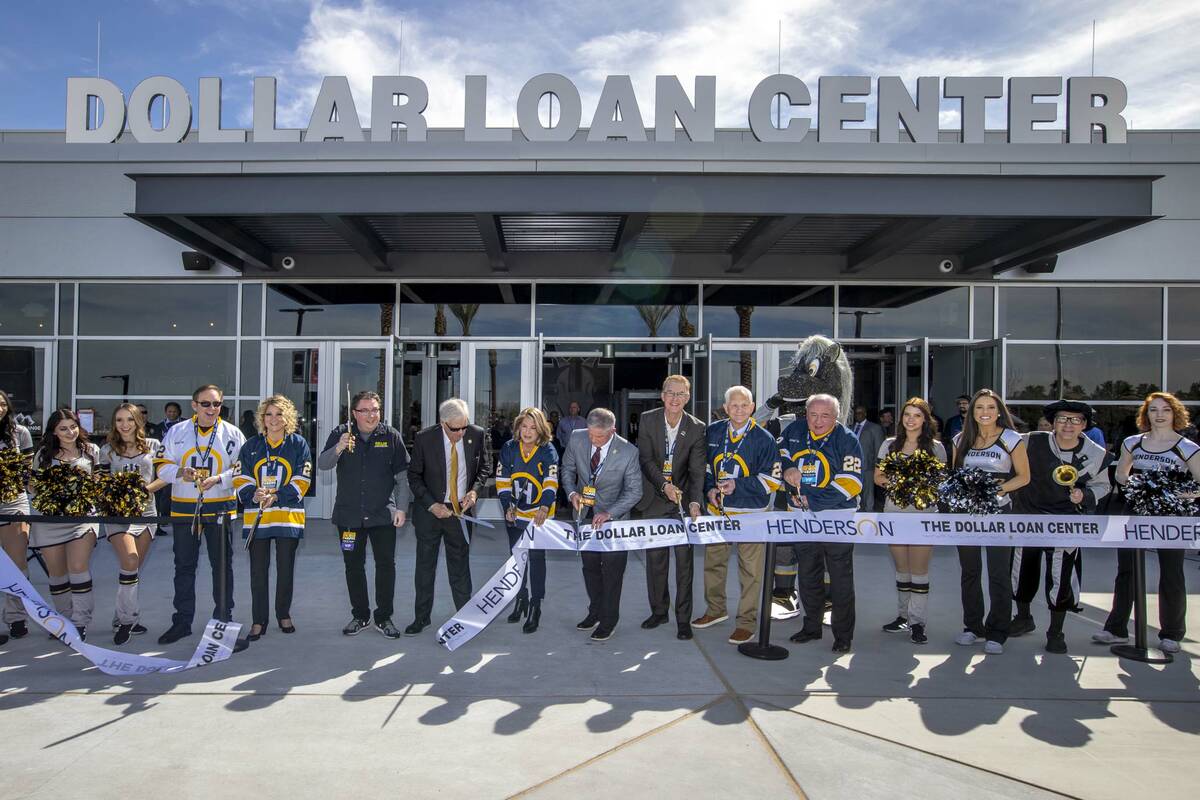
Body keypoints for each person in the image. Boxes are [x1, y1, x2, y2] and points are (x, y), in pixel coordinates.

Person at [1095, 392, 1200, 654]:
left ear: (1175, 414)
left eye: (1165, 410)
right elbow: (1121, 472)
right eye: (1153, 410)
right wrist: (1132, 485)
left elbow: (1198, 482)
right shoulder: (1133, 442)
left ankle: (1172, 633)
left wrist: (1173, 493)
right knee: (1127, 569)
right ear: (1146, 414)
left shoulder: (1187, 447)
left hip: (1171, 515)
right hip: (1135, 509)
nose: (1160, 415)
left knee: (1172, 572)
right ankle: (1116, 628)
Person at [1012, 400, 1111, 654]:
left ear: (1085, 425)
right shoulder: (1031, 440)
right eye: (1063, 419)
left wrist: (1085, 496)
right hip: (1029, 516)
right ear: (1053, 422)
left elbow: (1103, 486)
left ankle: (1056, 631)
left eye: (1075, 420)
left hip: (1066, 521)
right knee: (1022, 569)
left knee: (1060, 575)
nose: (1068, 424)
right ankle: (1023, 618)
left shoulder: (1096, 453)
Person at [154, 384, 246, 646]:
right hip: (184, 507)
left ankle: (223, 620)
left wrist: (219, 479)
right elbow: (161, 466)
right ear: (194, 405)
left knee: (222, 567)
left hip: (220, 508)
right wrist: (180, 473)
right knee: (184, 566)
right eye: (205, 404)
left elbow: (242, 471)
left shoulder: (232, 433)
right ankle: (182, 622)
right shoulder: (177, 431)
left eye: (216, 404)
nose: (211, 409)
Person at [692, 386, 781, 646]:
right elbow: (706, 468)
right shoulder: (715, 431)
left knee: (751, 572)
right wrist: (710, 489)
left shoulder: (764, 438)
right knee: (713, 564)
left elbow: (771, 479)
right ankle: (716, 610)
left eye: (744, 405)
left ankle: (746, 623)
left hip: (751, 515)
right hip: (718, 512)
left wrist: (737, 486)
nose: (739, 410)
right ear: (725, 407)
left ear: (752, 407)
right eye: (734, 405)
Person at [318, 390, 411, 639]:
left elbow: (402, 476)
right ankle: (360, 615)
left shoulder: (390, 436)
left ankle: (384, 617)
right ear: (354, 413)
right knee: (353, 567)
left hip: (383, 516)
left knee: (385, 566)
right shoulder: (341, 434)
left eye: (375, 410)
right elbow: (323, 464)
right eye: (365, 410)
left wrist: (401, 508)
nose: (371, 415)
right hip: (349, 517)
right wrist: (339, 447)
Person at [780, 393, 863, 653]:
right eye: (812, 414)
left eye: (825, 415)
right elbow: (779, 450)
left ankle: (843, 634)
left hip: (836, 518)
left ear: (836, 417)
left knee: (839, 579)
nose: (817, 421)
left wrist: (811, 499)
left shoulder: (847, 439)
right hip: (801, 518)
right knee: (807, 574)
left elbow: (851, 483)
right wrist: (788, 466)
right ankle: (811, 626)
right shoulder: (795, 429)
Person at [951, 389, 1030, 655]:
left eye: (990, 407)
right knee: (969, 571)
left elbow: (1024, 477)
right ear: (971, 412)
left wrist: (997, 490)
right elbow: (956, 477)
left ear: (999, 411)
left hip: (999, 514)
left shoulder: (1011, 438)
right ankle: (973, 626)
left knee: (998, 572)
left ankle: (998, 630)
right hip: (967, 516)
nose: (985, 412)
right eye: (979, 408)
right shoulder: (961, 439)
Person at [406, 398, 488, 636]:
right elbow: (414, 476)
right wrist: (431, 505)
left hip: (460, 512)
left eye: (465, 426)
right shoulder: (424, 439)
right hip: (430, 513)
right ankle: (421, 618)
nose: (461, 433)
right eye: (455, 429)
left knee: (460, 567)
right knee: (425, 567)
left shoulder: (477, 434)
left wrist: (474, 492)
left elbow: (484, 468)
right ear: (443, 424)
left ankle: (465, 618)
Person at [235, 395, 313, 643]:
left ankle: (283, 614)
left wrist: (278, 495)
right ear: (262, 418)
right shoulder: (250, 446)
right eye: (269, 414)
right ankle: (259, 620)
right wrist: (253, 494)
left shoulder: (298, 444)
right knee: (258, 572)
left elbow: (303, 479)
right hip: (258, 518)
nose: (274, 419)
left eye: (279, 414)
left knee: (285, 570)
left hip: (287, 517)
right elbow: (241, 477)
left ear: (288, 417)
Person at [561, 407, 642, 642]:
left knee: (613, 573)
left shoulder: (628, 452)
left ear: (612, 431)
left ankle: (609, 621)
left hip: (614, 520)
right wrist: (572, 492)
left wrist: (610, 513)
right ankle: (594, 612)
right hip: (584, 515)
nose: (593, 440)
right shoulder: (577, 438)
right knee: (590, 569)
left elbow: (635, 491)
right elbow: (567, 469)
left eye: (599, 437)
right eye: (591, 435)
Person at [635, 375, 705, 640]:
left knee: (685, 565)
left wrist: (695, 501)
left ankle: (683, 620)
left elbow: (697, 471)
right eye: (670, 393)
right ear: (662, 395)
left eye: (681, 394)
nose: (675, 399)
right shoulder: (647, 420)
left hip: (683, 504)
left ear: (687, 398)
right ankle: (659, 611)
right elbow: (645, 459)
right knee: (655, 562)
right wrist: (663, 485)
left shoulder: (697, 428)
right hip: (655, 499)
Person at [873, 397, 947, 645]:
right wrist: (898, 483)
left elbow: (941, 482)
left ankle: (918, 622)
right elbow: (878, 476)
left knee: (919, 571)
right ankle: (903, 616)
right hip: (894, 514)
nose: (911, 419)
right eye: (907, 415)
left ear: (925, 419)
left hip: (923, 517)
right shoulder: (889, 445)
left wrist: (919, 485)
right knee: (902, 569)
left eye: (917, 415)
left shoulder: (936, 447)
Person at [30, 409, 101, 641]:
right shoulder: (43, 454)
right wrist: (51, 490)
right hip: (50, 520)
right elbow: (32, 486)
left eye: (73, 426)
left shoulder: (91, 451)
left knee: (78, 567)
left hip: (82, 519)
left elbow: (99, 484)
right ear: (54, 431)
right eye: (63, 428)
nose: (70, 432)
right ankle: (64, 619)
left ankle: (80, 622)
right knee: (57, 573)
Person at [98, 403, 165, 645]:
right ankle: (128, 620)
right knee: (130, 559)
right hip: (117, 515)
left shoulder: (154, 446)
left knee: (132, 569)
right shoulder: (106, 450)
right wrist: (118, 494)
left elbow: (163, 477)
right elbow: (102, 482)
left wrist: (143, 490)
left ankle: (120, 616)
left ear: (139, 421)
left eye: (129, 419)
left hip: (146, 513)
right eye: (119, 420)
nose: (124, 425)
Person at [495, 407, 558, 634]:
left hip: (539, 516)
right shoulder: (509, 448)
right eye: (524, 426)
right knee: (517, 558)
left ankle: (535, 604)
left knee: (536, 558)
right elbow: (502, 481)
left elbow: (551, 482)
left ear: (540, 429)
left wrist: (544, 506)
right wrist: (506, 507)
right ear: (518, 427)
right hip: (515, 513)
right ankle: (520, 599)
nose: (528, 431)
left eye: (533, 427)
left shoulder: (547, 450)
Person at [0, 389, 35, 643]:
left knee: (16, 564)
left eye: (2, 404)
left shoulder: (19, 433)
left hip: (13, 502)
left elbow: (27, 472)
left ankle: (16, 617)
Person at [154, 401, 184, 535]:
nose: (172, 414)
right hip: (166, 464)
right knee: (164, 493)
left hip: (182, 464)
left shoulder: (185, 426)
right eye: (169, 411)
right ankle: (164, 517)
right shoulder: (159, 427)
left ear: (179, 412)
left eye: (174, 411)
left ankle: (177, 515)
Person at [850, 405, 884, 512]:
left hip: (868, 467)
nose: (858, 415)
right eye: (856, 413)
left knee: (868, 494)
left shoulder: (874, 428)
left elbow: (879, 449)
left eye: (861, 413)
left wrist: (877, 468)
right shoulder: (850, 428)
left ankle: (869, 516)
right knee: (854, 493)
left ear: (865, 414)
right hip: (851, 466)